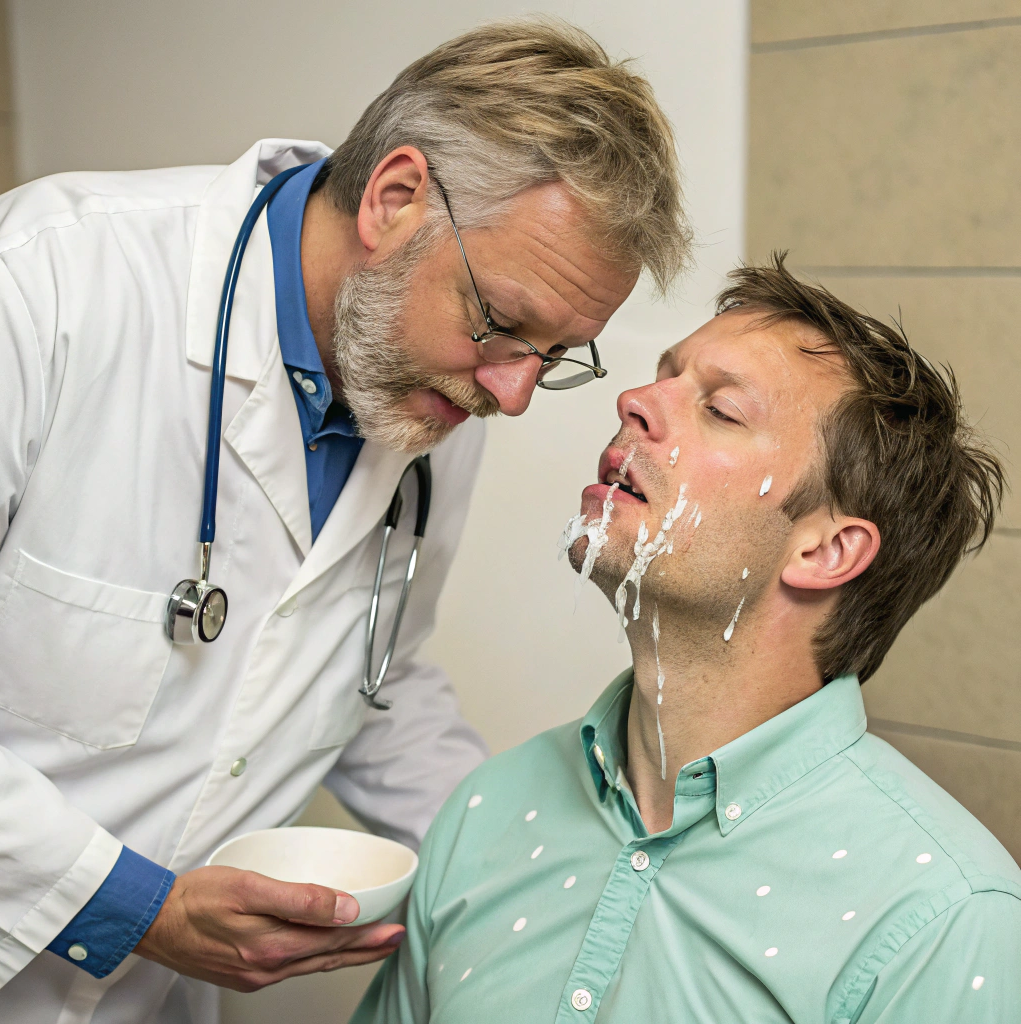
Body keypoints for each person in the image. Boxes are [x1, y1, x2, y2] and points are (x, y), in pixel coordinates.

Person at [0, 18, 692, 1023]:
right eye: (502, 323)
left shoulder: (438, 387)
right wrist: (134, 908)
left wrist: (538, 865)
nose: (515, 392)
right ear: (394, 197)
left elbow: (367, 669)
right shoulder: (46, 286)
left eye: (555, 352)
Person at [352, 255, 1021, 1024]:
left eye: (723, 410)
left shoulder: (945, 918)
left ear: (824, 552)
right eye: (662, 376)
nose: (634, 400)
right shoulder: (485, 810)